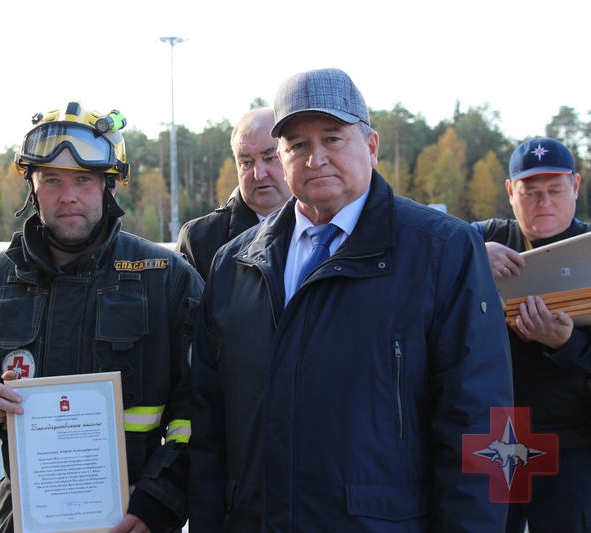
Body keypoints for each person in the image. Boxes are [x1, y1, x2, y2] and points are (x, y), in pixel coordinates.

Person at [188, 68, 513, 532]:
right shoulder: (234, 265)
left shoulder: (442, 252)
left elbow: (479, 425)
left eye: (333, 138)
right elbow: (209, 428)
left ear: (372, 146)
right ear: (282, 157)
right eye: (298, 145)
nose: (315, 158)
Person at [0, 101, 203, 533]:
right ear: (32, 188)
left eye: (83, 180)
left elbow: (203, 403)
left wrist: (160, 501)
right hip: (26, 518)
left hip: (135, 518)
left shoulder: (165, 279)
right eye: (51, 180)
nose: (68, 196)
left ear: (109, 188)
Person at [472, 137, 591, 533]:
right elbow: (417, 253)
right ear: (510, 192)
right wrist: (469, 254)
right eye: (530, 192)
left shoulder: (588, 251)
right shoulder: (485, 239)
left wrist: (567, 345)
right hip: (491, 436)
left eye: (555, 190)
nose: (544, 203)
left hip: (569, 436)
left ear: (575, 187)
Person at [176, 107, 291, 280]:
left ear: (290, 155)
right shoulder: (200, 240)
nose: (259, 174)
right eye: (246, 162)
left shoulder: (325, 228)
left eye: (270, 158)